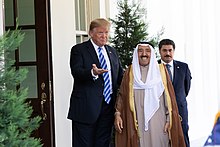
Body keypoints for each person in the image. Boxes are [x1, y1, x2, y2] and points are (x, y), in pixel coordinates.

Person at [114, 42, 185, 147]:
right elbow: (122, 95)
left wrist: (169, 119)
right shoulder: (130, 72)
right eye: (140, 51)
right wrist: (118, 114)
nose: (144, 54)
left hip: (159, 123)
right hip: (137, 122)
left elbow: (169, 98)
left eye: (147, 51)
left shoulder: (161, 71)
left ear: (152, 54)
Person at [67, 18, 123, 147]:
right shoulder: (79, 50)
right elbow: (76, 72)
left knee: (103, 143)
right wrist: (92, 73)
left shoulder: (112, 51)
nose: (104, 36)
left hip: (108, 108)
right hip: (85, 109)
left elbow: (120, 76)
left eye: (106, 33)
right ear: (91, 33)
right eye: (100, 33)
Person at [158, 39, 192, 147]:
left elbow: (186, 88)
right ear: (159, 51)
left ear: (174, 51)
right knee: (163, 137)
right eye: (164, 50)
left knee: (183, 135)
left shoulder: (183, 67)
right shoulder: (153, 67)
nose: (167, 53)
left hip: (180, 109)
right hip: (160, 109)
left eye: (170, 50)